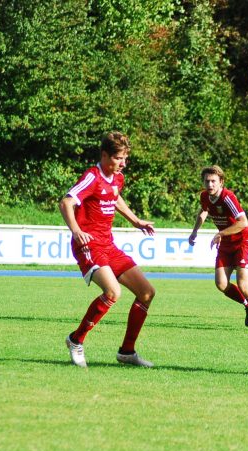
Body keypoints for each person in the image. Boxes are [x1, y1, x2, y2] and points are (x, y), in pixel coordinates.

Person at [60, 131, 155, 368]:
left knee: (146, 292)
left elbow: (116, 197)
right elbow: (66, 202)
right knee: (113, 292)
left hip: (108, 245)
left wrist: (135, 221)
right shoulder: (93, 176)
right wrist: (76, 230)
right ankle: (75, 340)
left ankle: (127, 352)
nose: (123, 164)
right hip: (89, 245)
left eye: (125, 159)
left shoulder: (117, 177)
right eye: (118, 159)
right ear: (104, 155)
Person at [188, 165, 248, 329]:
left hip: (243, 241)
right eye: (207, 181)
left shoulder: (227, 197)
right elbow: (203, 211)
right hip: (226, 242)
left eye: (213, 181)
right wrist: (194, 231)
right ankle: (247, 305)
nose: (210, 185)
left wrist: (220, 234)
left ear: (221, 182)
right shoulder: (204, 196)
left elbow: (243, 222)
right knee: (221, 284)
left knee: (243, 284)